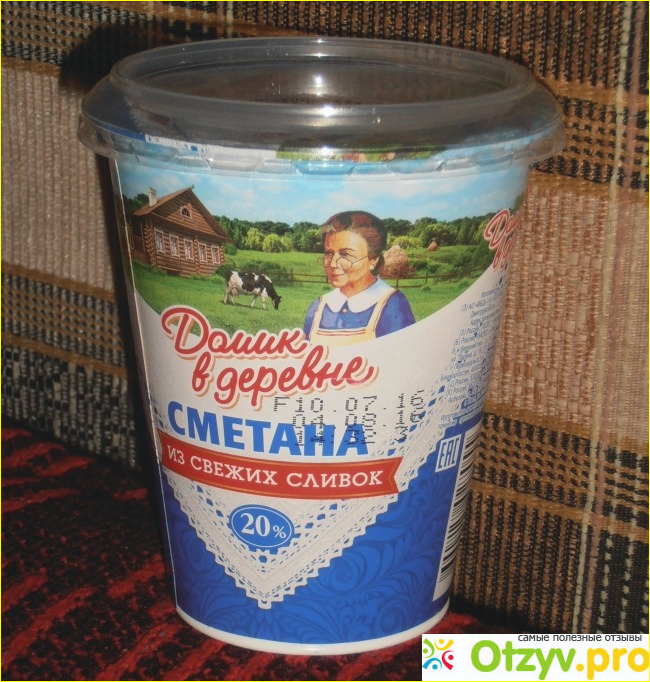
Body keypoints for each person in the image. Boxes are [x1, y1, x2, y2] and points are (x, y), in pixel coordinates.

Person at [304, 211, 415, 345]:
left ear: (373, 259)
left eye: (346, 255)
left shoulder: (392, 305)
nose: (333, 264)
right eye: (329, 253)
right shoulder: (319, 306)